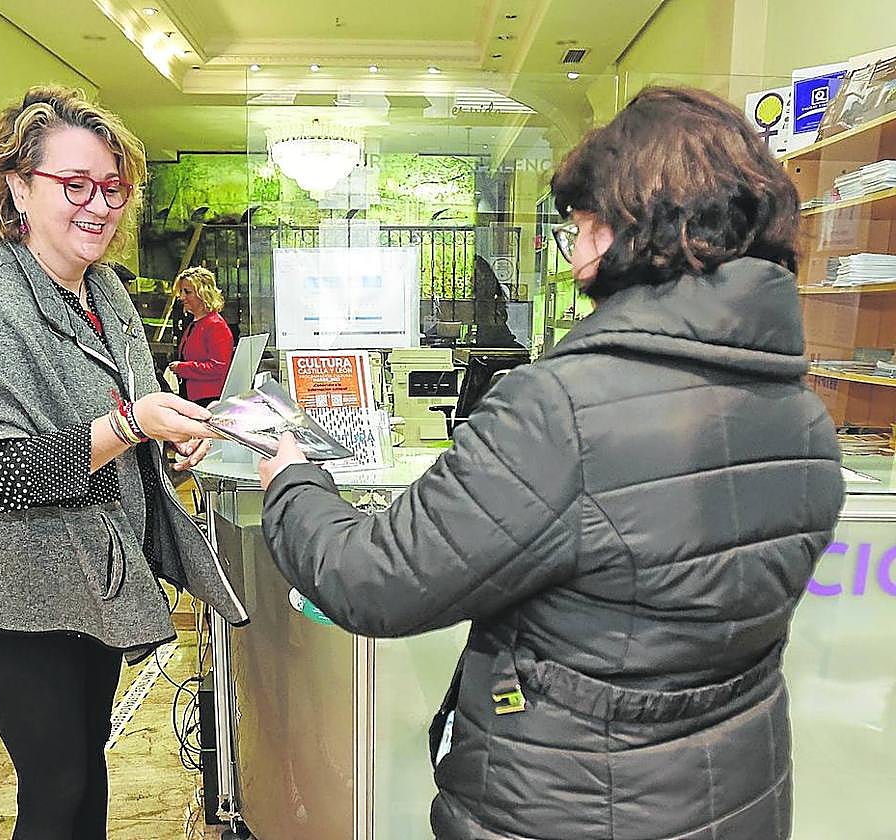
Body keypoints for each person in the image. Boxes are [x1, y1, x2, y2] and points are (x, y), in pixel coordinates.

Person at [255, 86, 843, 840]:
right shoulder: (798, 410)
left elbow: (377, 580)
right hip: (734, 795)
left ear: (624, 228)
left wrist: (293, 481)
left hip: (572, 805)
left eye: (578, 226)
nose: (572, 253)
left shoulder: (563, 410)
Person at [0, 86, 246, 840]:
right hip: (15, 589)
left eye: (112, 188)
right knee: (56, 784)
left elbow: (134, 394)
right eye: (75, 185)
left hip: (93, 576)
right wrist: (133, 423)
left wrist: (171, 427)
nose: (99, 206)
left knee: (86, 767)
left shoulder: (104, 290)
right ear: (18, 188)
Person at [167, 265, 234, 406]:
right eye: (181, 291)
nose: (182, 297)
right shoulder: (197, 323)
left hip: (208, 399)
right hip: (194, 396)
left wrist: (182, 368)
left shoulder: (215, 325)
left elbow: (218, 367)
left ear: (203, 294)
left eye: (187, 292)